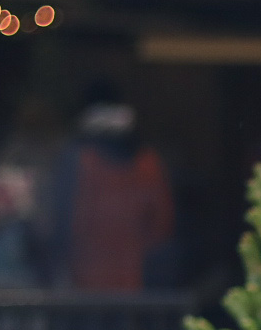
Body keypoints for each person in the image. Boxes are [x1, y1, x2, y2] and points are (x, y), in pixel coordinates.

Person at [46, 86, 176, 291]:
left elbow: (63, 225)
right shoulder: (147, 164)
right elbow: (161, 227)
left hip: (105, 285)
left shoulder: (80, 161)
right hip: (123, 285)